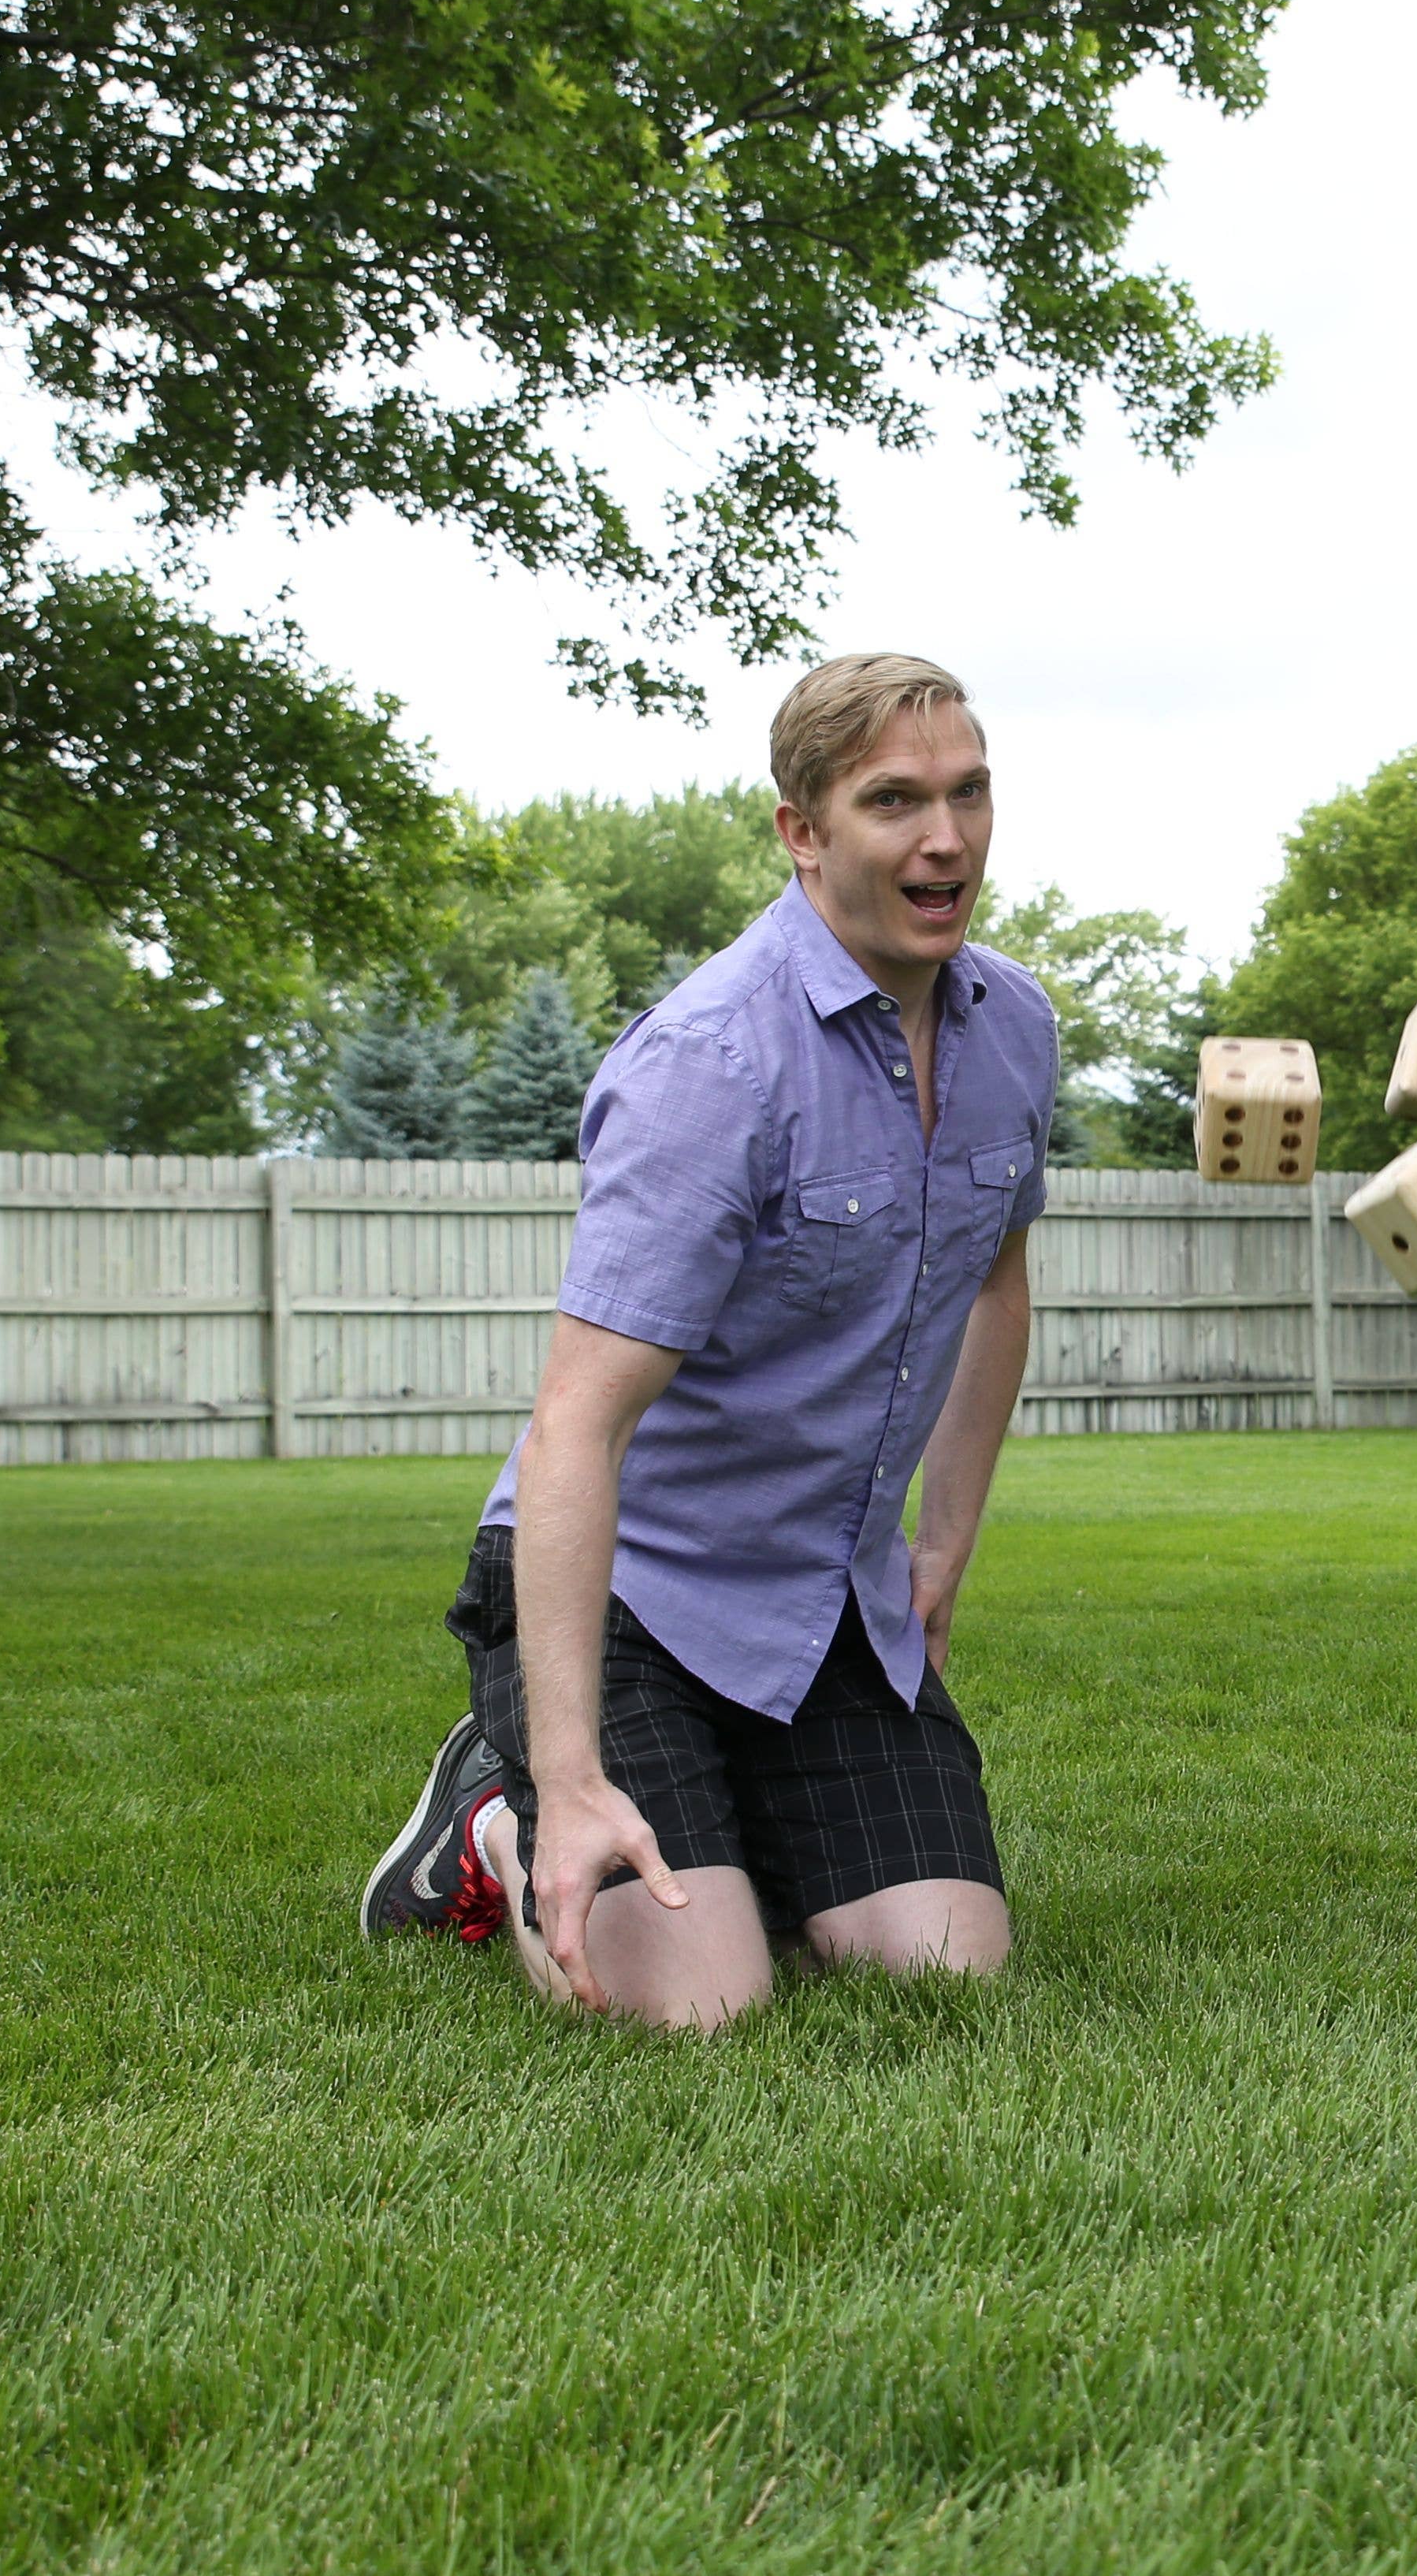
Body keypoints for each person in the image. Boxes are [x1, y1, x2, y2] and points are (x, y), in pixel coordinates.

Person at [357, 652, 1051, 2029]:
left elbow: (997, 1281)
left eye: (969, 793)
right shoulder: (712, 1062)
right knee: (695, 2007)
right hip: (634, 1592)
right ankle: (492, 1816)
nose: (947, 838)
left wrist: (944, 1543)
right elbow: (578, 1423)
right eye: (894, 801)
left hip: (824, 1593)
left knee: (947, 1963)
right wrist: (571, 1781)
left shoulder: (1013, 1028)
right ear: (803, 831)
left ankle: (734, 1830)